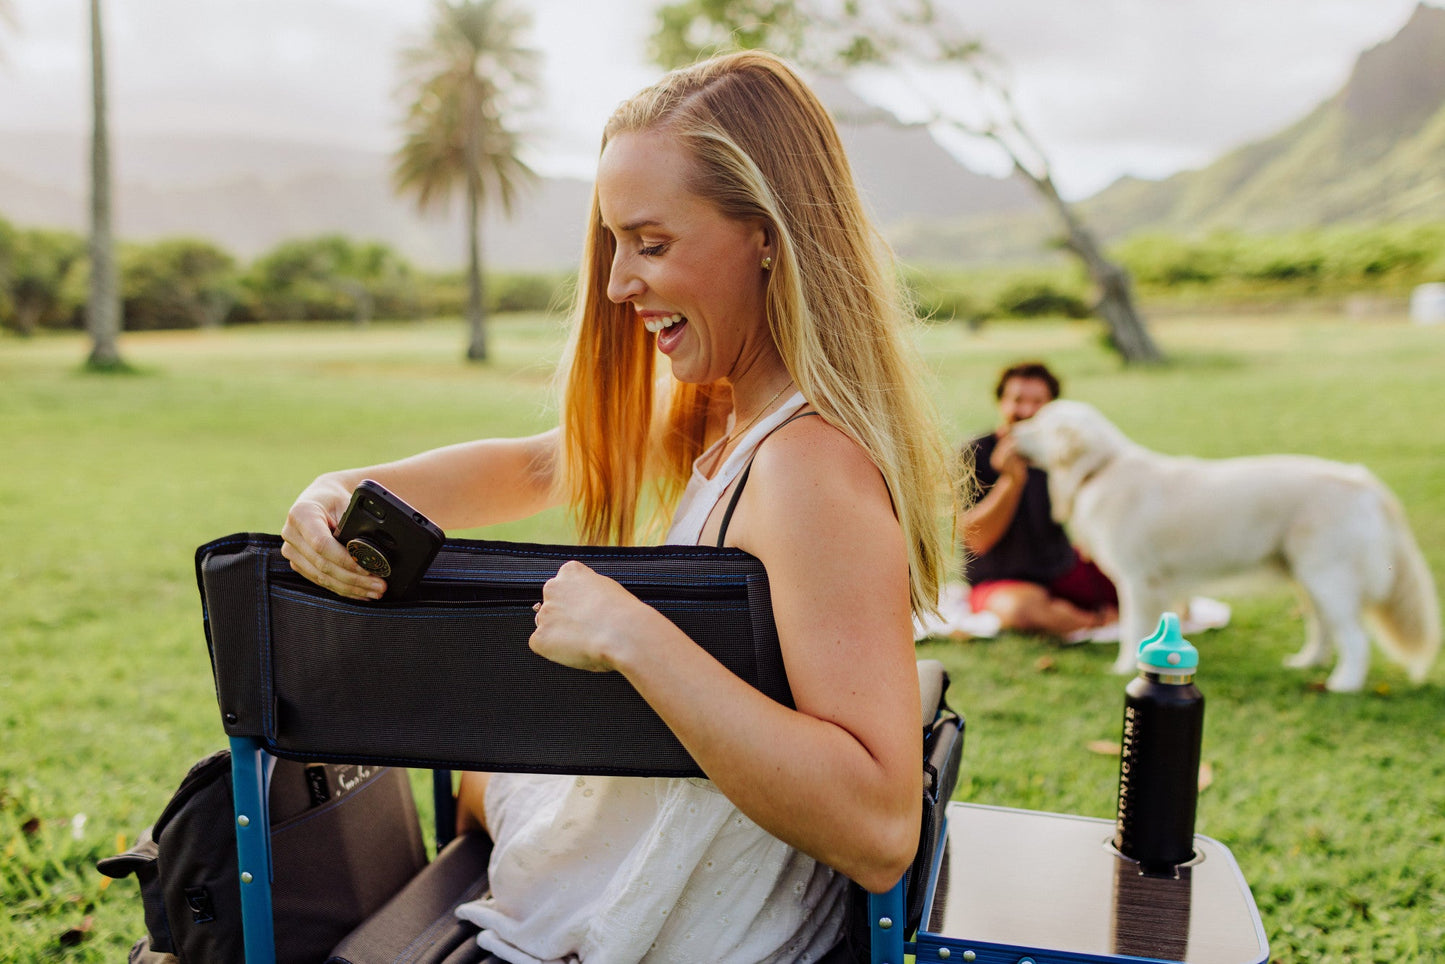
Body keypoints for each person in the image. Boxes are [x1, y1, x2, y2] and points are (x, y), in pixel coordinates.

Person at [280, 51, 954, 964]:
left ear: (766, 234)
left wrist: (632, 635)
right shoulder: (726, 413)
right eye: (613, 243)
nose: (615, 285)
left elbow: (878, 828)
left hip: (675, 932)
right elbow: (533, 467)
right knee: (484, 774)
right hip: (636, 860)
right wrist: (340, 493)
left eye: (652, 242)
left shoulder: (806, 470)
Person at [958, 362, 1118, 639]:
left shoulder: (1058, 455)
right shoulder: (974, 453)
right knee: (1022, 610)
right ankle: (1095, 621)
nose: (1027, 411)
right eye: (1018, 400)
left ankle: (1079, 616)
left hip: (1059, 567)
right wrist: (1010, 482)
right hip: (1000, 579)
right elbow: (977, 539)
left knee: (1148, 579)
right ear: (1001, 403)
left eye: (1038, 403)